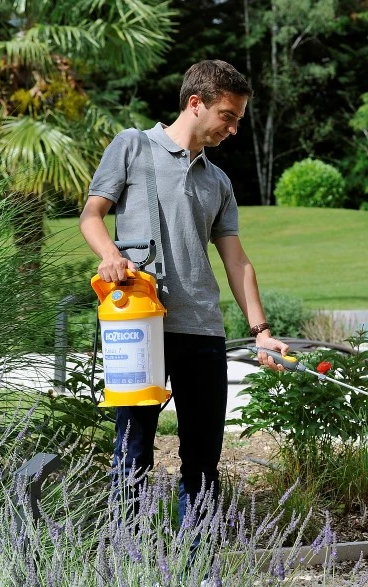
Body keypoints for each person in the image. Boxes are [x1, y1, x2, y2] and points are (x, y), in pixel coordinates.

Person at [78, 60, 288, 522]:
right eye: (228, 116)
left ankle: (197, 560)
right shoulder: (132, 146)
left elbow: (237, 261)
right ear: (196, 103)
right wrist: (109, 254)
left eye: (238, 119)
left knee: (203, 461)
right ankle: (127, 557)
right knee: (132, 455)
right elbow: (91, 215)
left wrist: (261, 331)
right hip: (139, 326)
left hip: (203, 330)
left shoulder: (218, 181)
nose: (233, 129)